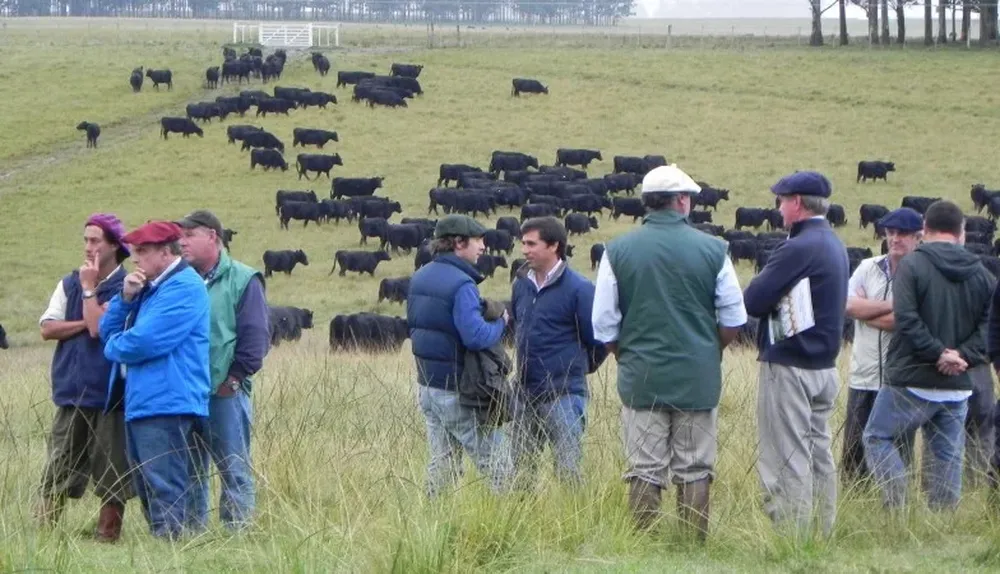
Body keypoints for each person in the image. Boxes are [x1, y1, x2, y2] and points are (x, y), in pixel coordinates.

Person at [592, 164, 747, 541]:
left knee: (644, 466)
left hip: (641, 375)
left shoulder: (617, 250)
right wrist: (710, 350)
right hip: (697, 375)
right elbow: (733, 317)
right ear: (681, 200)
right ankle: (692, 546)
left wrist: (624, 354)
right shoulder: (715, 249)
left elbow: (604, 324)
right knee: (695, 466)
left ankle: (646, 547)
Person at [863, 200, 995, 511]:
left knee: (877, 437)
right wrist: (960, 356)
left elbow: (906, 319)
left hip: (911, 376)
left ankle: (898, 508)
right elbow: (990, 327)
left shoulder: (912, 265)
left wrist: (938, 353)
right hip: (958, 383)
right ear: (961, 232)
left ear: (925, 230)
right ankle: (943, 518)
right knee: (947, 453)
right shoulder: (982, 273)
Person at [743, 170, 849, 539]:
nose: (778, 207)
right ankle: (822, 532)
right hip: (825, 366)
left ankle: (792, 539)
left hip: (791, 365)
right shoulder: (833, 243)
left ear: (798, 204)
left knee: (786, 455)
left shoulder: (798, 247)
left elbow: (754, 300)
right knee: (819, 452)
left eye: (782, 200)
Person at [99, 220, 212, 540]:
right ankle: (172, 551)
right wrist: (125, 297)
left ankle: (174, 552)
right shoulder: (150, 288)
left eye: (143, 252)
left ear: (165, 252)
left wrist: (113, 348)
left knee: (167, 487)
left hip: (168, 401)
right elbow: (109, 329)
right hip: (146, 400)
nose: (135, 259)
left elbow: (144, 342)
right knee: (150, 486)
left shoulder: (184, 287)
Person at [36, 214, 132, 542]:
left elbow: (98, 329)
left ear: (115, 246)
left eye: (95, 241)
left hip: (111, 393)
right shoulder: (68, 283)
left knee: (112, 472)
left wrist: (89, 291)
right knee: (58, 467)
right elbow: (48, 328)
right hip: (72, 390)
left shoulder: (128, 287)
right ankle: (43, 537)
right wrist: (84, 318)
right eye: (86, 240)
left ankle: (108, 539)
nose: (88, 247)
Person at [176, 210, 270, 532]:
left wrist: (233, 379)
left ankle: (237, 535)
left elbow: (256, 336)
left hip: (224, 392)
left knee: (233, 467)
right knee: (190, 470)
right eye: (180, 236)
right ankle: (192, 534)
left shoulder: (243, 279)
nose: (182, 242)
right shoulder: (180, 280)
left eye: (190, 235)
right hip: (186, 392)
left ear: (213, 236)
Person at [407, 214, 512, 497]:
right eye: (478, 240)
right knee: (499, 464)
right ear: (458, 242)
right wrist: (501, 321)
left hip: (428, 386)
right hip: (457, 389)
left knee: (443, 464)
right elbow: (475, 337)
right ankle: (514, 526)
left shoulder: (419, 277)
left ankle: (432, 524)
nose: (483, 247)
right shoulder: (462, 285)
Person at [509, 216, 606, 489]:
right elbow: (519, 328)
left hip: (563, 394)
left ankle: (574, 526)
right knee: (520, 470)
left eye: (531, 244)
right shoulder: (521, 286)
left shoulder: (580, 289)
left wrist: (578, 367)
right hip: (524, 393)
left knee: (567, 470)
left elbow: (597, 339)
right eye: (523, 243)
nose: (524, 250)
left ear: (554, 246)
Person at [841, 208, 923, 486]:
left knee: (897, 447)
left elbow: (904, 322)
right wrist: (893, 306)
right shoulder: (868, 267)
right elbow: (847, 305)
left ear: (917, 238)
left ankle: (894, 505)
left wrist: (866, 312)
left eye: (902, 234)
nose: (895, 238)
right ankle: (854, 501)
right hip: (863, 373)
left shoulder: (920, 274)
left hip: (899, 378)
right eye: (890, 233)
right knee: (853, 447)